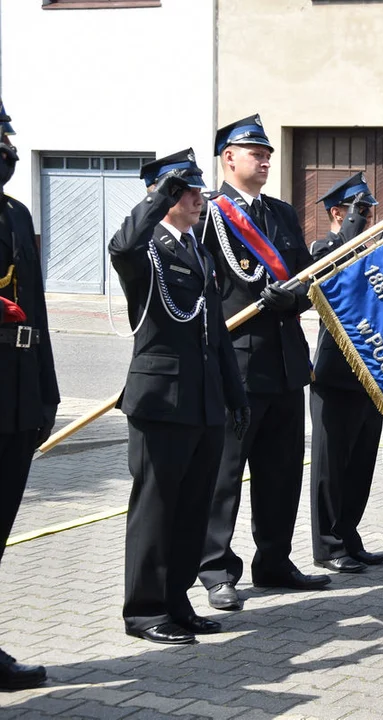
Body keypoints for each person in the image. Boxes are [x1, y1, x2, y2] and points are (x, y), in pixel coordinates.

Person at [109, 150, 250, 645]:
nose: (197, 199)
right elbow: (121, 246)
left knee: (193, 507)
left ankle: (177, 601)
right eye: (185, 191)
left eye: (196, 190)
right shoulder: (145, 250)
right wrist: (158, 195)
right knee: (157, 505)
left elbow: (216, 335)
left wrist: (236, 396)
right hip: (161, 401)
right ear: (163, 196)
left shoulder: (200, 251)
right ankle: (146, 610)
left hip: (205, 402)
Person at [198, 114, 329, 612]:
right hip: (237, 363)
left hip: (284, 361)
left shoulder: (281, 213)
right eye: (256, 152)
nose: (266, 159)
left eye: (268, 152)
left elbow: (302, 279)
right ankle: (216, 570)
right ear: (229, 157)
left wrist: (291, 298)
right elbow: (205, 287)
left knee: (281, 473)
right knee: (225, 475)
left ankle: (273, 561)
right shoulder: (210, 213)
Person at [0, 99, 58, 689]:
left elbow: (35, 309)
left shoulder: (16, 214)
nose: (7, 151)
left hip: (16, 396)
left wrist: (48, 389)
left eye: (7, 140)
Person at [308, 172, 383, 571]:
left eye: (369, 211)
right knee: (331, 466)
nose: (368, 218)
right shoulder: (323, 247)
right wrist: (351, 232)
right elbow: (330, 278)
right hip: (335, 375)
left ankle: (350, 536)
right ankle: (327, 545)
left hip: (371, 374)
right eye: (360, 211)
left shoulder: (375, 251)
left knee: (359, 464)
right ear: (338, 212)